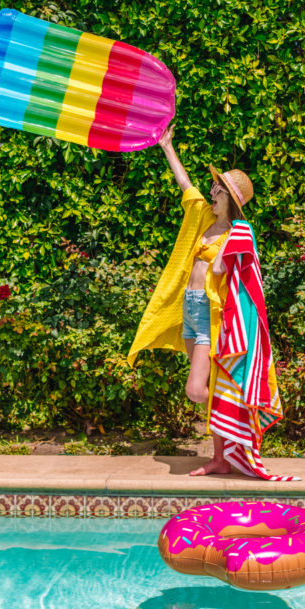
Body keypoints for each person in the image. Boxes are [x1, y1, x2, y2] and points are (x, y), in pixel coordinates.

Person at [127, 124, 262, 476]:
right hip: (189, 309)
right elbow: (186, 186)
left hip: (209, 318)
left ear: (230, 199)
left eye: (218, 188)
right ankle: (219, 458)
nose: (212, 190)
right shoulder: (203, 216)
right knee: (208, 387)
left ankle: (237, 417)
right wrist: (167, 146)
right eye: (214, 186)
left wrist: (225, 258)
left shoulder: (238, 233)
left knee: (197, 390)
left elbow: (235, 270)